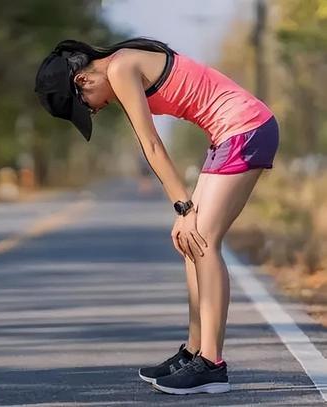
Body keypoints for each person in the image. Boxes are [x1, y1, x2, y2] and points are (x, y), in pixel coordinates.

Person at [34, 37, 279, 395]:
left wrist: (183, 207)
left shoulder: (120, 68)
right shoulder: (122, 64)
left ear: (82, 81)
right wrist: (184, 212)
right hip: (230, 133)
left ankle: (212, 365)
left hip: (245, 129)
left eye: (84, 105)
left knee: (203, 240)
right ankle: (195, 352)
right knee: (189, 242)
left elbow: (150, 143)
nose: (93, 110)